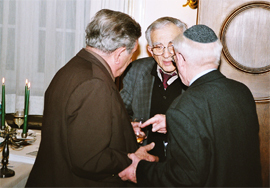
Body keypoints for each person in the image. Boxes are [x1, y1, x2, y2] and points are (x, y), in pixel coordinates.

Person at [26, 9, 158, 187]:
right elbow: (89, 159)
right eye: (131, 54)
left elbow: (77, 130)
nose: (131, 61)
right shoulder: (95, 83)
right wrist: (131, 158)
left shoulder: (74, 67)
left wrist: (122, 127)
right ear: (119, 54)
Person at [119, 24, 262, 187]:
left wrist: (140, 171)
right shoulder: (241, 91)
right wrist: (172, 123)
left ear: (179, 58)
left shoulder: (184, 107)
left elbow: (183, 179)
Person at [120, 17, 187, 162]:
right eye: (158, 47)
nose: (166, 54)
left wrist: (173, 124)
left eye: (172, 45)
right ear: (150, 50)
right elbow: (120, 112)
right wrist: (130, 127)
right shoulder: (135, 70)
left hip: (184, 164)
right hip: (143, 161)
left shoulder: (196, 76)